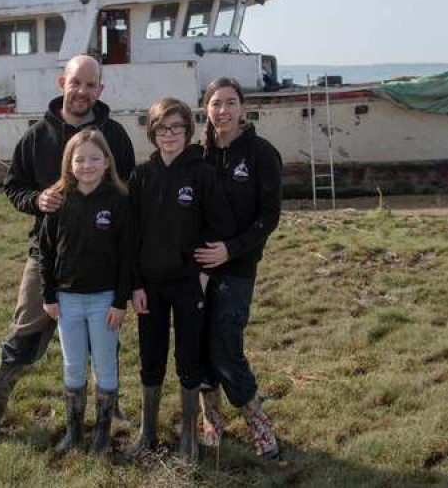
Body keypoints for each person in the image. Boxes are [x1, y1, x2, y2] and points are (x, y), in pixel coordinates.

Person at [0, 55, 135, 443]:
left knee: (104, 338)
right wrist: (36, 200)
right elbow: (13, 187)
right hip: (48, 255)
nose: (82, 92)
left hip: (103, 260)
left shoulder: (115, 135)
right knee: (23, 334)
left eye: (91, 85)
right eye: (76, 83)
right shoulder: (36, 136)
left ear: (100, 90)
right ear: (63, 82)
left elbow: (130, 191)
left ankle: (111, 411)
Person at [128, 97, 234, 462]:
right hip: (150, 287)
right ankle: (147, 433)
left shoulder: (203, 174)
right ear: (153, 133)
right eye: (162, 128)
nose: (169, 134)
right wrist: (135, 285)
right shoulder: (141, 176)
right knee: (150, 357)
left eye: (176, 127)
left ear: (188, 130)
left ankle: (189, 436)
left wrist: (204, 274)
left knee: (188, 357)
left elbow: (218, 226)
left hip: (190, 284)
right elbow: (131, 235)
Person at [194, 77, 282, 459]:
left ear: (242, 108)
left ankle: (257, 420)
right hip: (197, 268)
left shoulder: (262, 154)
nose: (223, 110)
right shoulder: (200, 155)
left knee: (226, 344)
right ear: (206, 109)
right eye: (216, 103)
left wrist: (230, 251)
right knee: (198, 345)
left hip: (236, 266)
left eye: (230, 102)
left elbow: (269, 217)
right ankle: (211, 417)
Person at [38, 129, 134, 454]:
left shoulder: (118, 201)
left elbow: (127, 258)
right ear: (69, 163)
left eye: (95, 158)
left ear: (107, 162)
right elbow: (46, 253)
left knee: (105, 364)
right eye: (80, 159)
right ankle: (74, 432)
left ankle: (103, 434)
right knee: (73, 364)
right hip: (66, 301)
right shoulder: (58, 200)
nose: (87, 165)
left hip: (105, 300)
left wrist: (120, 301)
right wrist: (48, 295)